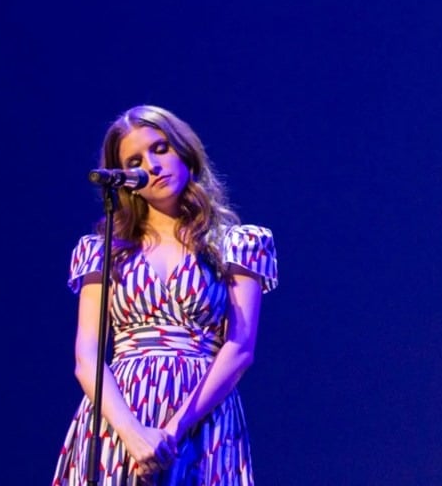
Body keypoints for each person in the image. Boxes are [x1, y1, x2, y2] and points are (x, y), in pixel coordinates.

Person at [52, 105, 278, 485]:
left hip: (201, 416)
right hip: (120, 417)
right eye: (135, 160)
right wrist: (134, 434)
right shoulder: (104, 251)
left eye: (161, 148)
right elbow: (86, 355)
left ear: (185, 150)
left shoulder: (237, 244)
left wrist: (171, 433)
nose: (152, 165)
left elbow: (239, 349)